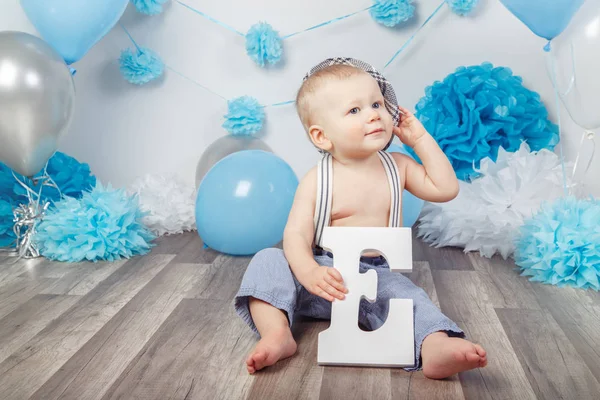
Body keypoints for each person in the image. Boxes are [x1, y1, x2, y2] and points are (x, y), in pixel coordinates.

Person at [234, 58, 487, 379]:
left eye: (377, 104)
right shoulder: (318, 178)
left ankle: (434, 344)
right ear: (322, 136)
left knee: (408, 297)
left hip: (374, 276)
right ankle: (277, 332)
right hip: (321, 275)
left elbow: (446, 188)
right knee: (267, 260)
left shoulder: (398, 166)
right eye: (355, 110)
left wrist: (420, 140)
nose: (373, 114)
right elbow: (297, 233)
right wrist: (308, 270)